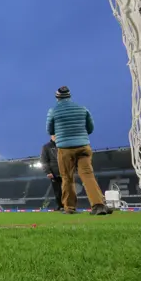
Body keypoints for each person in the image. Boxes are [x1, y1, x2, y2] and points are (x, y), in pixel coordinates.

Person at [46, 86, 110, 215]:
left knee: (67, 178)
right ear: (70, 96)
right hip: (83, 146)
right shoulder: (82, 109)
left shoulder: (53, 111)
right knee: (88, 175)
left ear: (57, 97)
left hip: (65, 148)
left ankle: (69, 208)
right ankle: (98, 206)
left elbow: (50, 130)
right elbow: (90, 128)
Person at [40, 135, 63, 211]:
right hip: (55, 172)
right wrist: (48, 172)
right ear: (51, 136)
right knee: (58, 191)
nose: (56, 137)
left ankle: (70, 205)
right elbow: (44, 161)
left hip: (66, 171)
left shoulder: (63, 144)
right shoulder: (46, 147)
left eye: (57, 135)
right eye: (54, 135)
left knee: (69, 189)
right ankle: (61, 206)